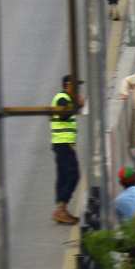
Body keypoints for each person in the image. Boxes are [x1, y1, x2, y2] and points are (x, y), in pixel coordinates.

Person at [49, 76, 81, 225]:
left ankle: (61, 208)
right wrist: (76, 104)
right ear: (68, 85)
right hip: (63, 143)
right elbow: (63, 114)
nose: (78, 89)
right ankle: (61, 209)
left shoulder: (64, 98)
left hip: (62, 144)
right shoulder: (62, 98)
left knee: (63, 176)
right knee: (72, 175)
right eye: (76, 86)